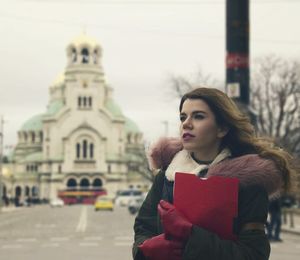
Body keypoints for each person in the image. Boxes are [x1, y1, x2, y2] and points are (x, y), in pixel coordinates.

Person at [132, 87, 295, 260]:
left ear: (222, 129)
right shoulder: (166, 175)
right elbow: (143, 227)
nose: (186, 123)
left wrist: (190, 235)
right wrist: (145, 250)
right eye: (183, 117)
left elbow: (254, 254)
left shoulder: (249, 181)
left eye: (198, 116)